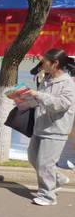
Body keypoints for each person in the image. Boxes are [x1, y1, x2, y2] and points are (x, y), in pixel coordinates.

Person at [26, 49, 75, 206]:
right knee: (33, 158)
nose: (42, 64)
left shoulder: (68, 83)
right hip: (40, 125)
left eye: (44, 61)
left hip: (56, 129)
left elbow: (61, 104)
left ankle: (48, 196)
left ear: (55, 64)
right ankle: (58, 179)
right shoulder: (46, 79)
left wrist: (39, 95)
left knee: (45, 164)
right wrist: (25, 99)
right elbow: (42, 101)